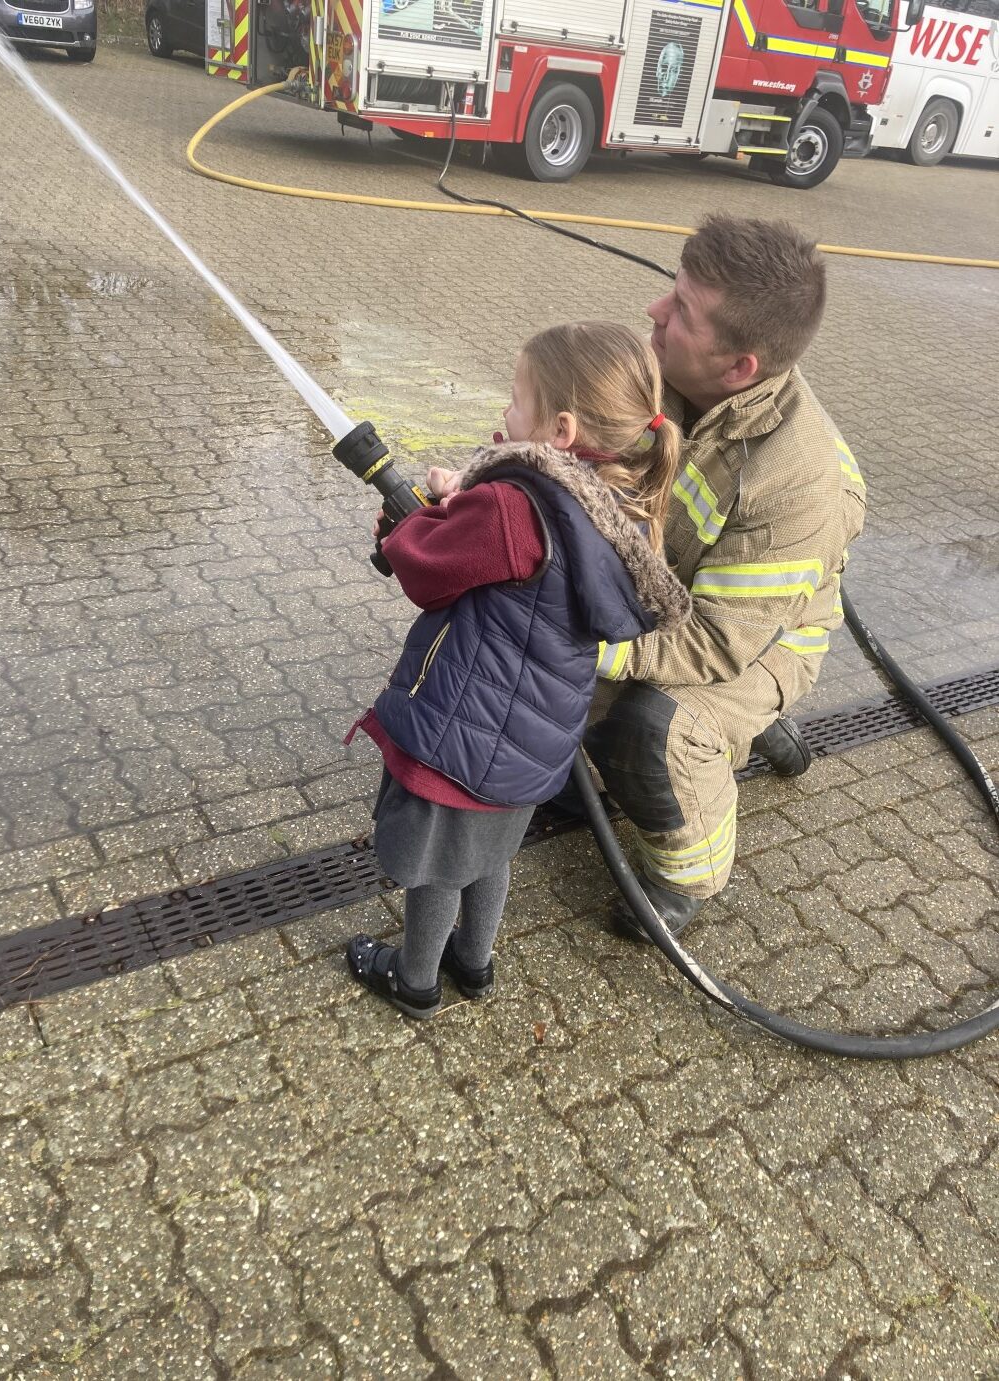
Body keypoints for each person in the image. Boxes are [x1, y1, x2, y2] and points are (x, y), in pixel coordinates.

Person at [344, 322, 691, 1018]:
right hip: (534, 739)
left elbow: (428, 570)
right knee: (491, 853)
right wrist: (460, 499)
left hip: (465, 733)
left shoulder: (513, 505)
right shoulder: (612, 502)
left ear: (560, 429)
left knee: (440, 864)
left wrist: (409, 525)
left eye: (514, 398)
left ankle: (415, 982)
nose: (504, 412)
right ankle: (474, 964)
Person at [582, 214, 867, 939]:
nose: (654, 312)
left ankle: (687, 876)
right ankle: (746, 731)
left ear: (739, 367)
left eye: (681, 311)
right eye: (669, 291)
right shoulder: (665, 373)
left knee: (653, 726)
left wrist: (591, 649)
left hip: (759, 642)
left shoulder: (797, 481)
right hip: (680, 590)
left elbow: (715, 645)